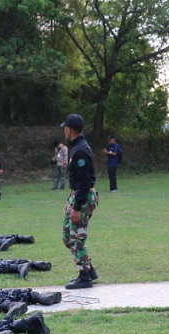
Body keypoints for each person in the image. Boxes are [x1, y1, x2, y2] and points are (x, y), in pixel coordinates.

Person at [60, 114, 98, 290]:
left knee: (76, 237)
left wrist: (76, 207)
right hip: (76, 195)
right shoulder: (77, 147)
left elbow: (84, 183)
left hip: (82, 197)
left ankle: (84, 277)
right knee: (68, 236)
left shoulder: (80, 150)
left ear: (69, 129)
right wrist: (70, 202)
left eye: (65, 128)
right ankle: (89, 269)